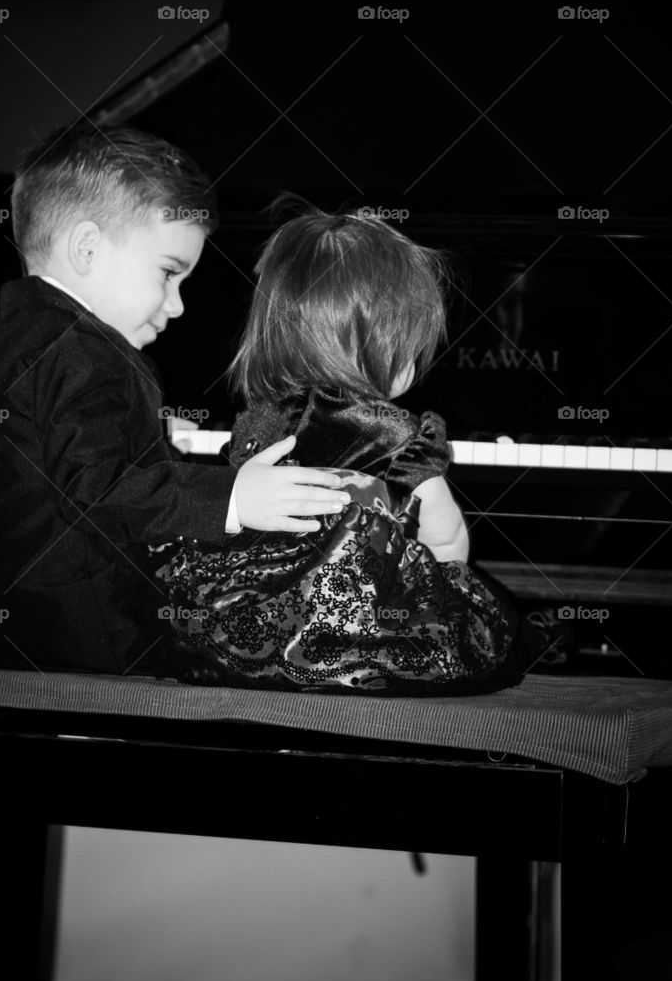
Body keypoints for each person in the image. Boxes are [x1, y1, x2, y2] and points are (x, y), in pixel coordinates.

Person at [0, 126, 350, 676]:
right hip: (82, 654)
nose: (177, 306)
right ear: (87, 248)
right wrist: (233, 498)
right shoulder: (84, 353)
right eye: (169, 273)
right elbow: (100, 490)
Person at [154, 202, 540, 695]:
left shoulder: (260, 419)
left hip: (262, 630)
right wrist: (446, 588)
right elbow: (447, 540)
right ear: (384, 342)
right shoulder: (399, 434)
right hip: (363, 635)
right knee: (487, 631)